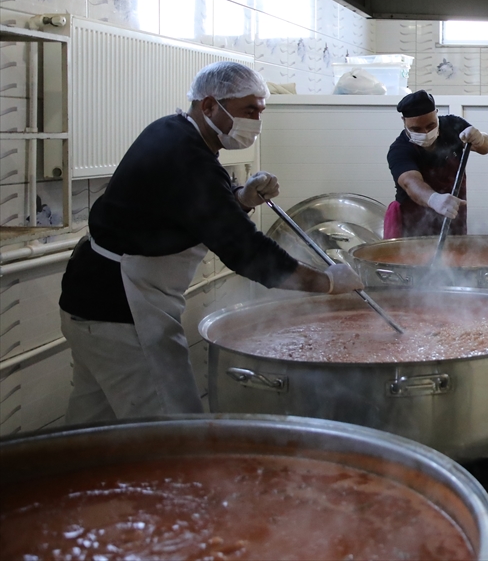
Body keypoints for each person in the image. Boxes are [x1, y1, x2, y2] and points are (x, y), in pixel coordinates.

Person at [58, 61, 363, 424]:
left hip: (89, 302)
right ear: (209, 105)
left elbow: (187, 207)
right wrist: (326, 282)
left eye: (260, 111)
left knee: (91, 431)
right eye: (249, 110)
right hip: (122, 312)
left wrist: (240, 198)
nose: (256, 121)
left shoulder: (172, 132)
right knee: (173, 432)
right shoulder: (188, 156)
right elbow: (246, 252)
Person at [384, 89, 488, 239]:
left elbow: (485, 148)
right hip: (414, 223)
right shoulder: (399, 150)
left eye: (430, 126)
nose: (425, 132)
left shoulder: (453, 125)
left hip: (453, 215)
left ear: (436, 113)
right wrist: (434, 199)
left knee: (456, 256)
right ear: (404, 121)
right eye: (416, 129)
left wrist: (480, 138)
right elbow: (410, 182)